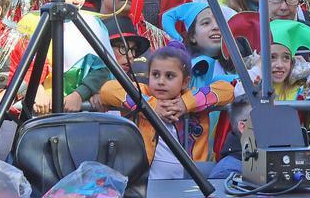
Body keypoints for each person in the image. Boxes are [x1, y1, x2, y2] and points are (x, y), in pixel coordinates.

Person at [98, 42, 234, 178]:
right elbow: (107, 89)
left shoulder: (191, 97)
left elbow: (228, 90)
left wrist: (185, 104)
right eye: (155, 75)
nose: (161, 81)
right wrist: (150, 107)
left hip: (191, 184)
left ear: (185, 82)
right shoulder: (142, 92)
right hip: (147, 184)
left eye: (169, 76)